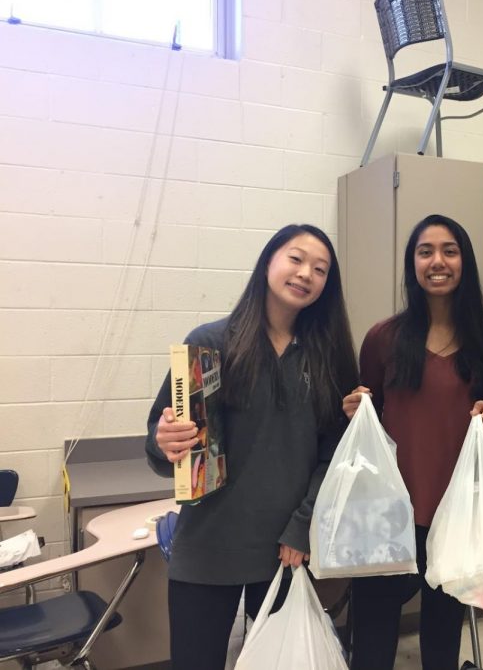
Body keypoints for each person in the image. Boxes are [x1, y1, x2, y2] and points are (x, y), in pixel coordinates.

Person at [145, 224, 358, 670]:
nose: (306, 274)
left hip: (284, 548)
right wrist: (164, 443)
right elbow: (162, 447)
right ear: (268, 263)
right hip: (208, 546)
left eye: (320, 269)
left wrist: (302, 527)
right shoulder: (209, 344)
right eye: (296, 259)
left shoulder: (328, 357)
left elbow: (334, 455)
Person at [342, 215, 483, 670]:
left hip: (456, 511)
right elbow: (365, 408)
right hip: (387, 512)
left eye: (449, 250)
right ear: (412, 262)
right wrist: (355, 407)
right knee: (373, 632)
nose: (437, 261)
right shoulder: (383, 338)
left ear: (465, 262)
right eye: (425, 251)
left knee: (442, 631)